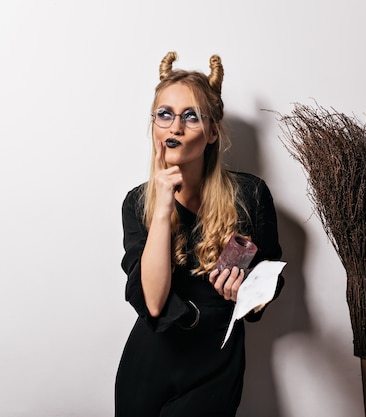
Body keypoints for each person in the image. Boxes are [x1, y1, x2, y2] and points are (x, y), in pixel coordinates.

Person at [115, 51, 284, 417]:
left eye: (190, 116)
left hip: (216, 362)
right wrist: (161, 208)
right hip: (152, 361)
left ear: (212, 132)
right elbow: (154, 303)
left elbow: (270, 277)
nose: (175, 127)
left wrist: (248, 295)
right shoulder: (138, 202)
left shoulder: (250, 195)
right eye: (165, 114)